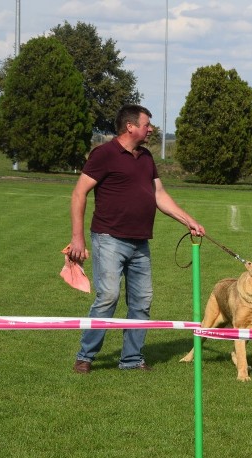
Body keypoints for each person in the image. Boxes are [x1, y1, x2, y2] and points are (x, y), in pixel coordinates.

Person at [68, 104, 205, 373]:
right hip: (108, 239)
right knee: (108, 296)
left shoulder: (146, 158)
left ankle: (131, 359)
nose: (151, 129)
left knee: (142, 302)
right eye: (146, 124)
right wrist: (78, 238)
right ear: (130, 126)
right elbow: (78, 193)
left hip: (140, 243)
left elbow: (160, 195)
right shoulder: (104, 154)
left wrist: (188, 220)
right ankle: (85, 356)